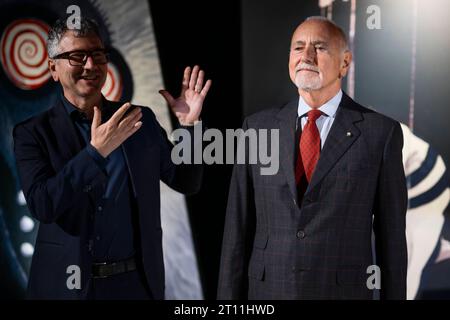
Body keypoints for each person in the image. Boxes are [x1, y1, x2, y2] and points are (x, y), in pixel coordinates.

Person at [13, 17, 211, 300]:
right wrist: (95, 153)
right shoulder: (32, 133)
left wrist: (190, 128)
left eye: (97, 54)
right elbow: (43, 205)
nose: (91, 65)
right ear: (52, 68)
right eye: (77, 56)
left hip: (135, 286)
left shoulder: (138, 119)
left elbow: (186, 181)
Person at [217, 16, 407, 300]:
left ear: (345, 63)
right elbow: (237, 229)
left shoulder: (380, 133)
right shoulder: (255, 128)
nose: (306, 56)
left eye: (319, 47)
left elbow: (391, 239)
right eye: (298, 47)